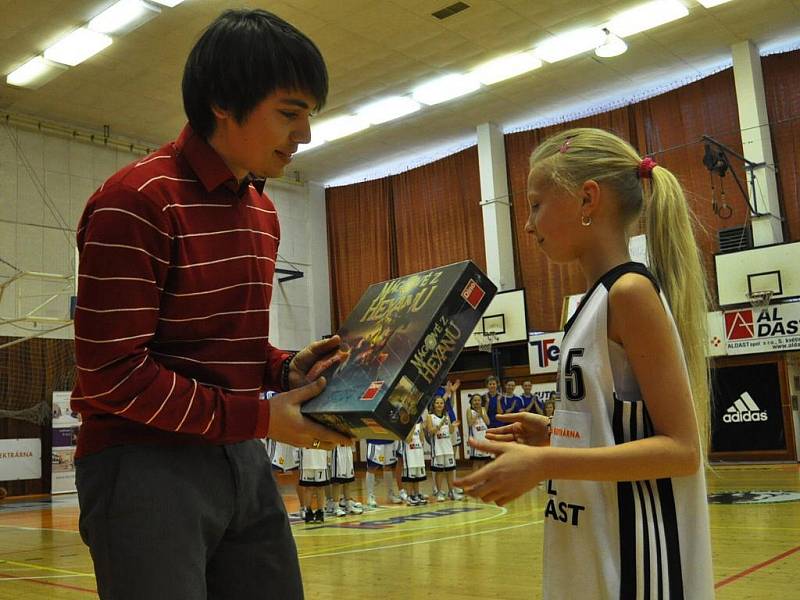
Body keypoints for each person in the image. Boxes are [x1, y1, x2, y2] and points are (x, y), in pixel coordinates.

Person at [70, 9, 350, 600]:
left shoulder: (262, 211)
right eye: (290, 112)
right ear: (224, 101)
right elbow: (113, 374)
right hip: (141, 465)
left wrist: (282, 368)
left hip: (239, 457)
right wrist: (260, 416)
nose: (305, 135)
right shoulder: (136, 201)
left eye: (309, 115)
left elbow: (223, 350)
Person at [456, 128, 714, 598]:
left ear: (587, 200)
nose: (529, 225)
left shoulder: (630, 293)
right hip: (590, 538)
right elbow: (620, 423)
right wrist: (555, 433)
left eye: (536, 205)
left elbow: (681, 450)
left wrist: (545, 460)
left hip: (639, 554)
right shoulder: (590, 302)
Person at [426, 395, 462, 501]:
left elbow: (450, 431)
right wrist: (440, 425)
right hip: (438, 449)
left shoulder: (447, 415)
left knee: (450, 470)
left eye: (441, 403)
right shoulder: (430, 416)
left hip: (448, 447)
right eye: (437, 403)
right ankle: (438, 492)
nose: (439, 405)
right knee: (439, 471)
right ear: (433, 405)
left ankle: (451, 492)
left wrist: (453, 426)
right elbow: (430, 432)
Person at [466, 394, 492, 469]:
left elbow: (488, 422)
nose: (477, 402)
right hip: (475, 439)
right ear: (471, 402)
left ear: (481, 401)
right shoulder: (469, 410)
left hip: (484, 438)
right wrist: (477, 414)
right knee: (476, 461)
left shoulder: (483, 409)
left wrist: (482, 413)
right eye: (475, 400)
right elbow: (470, 423)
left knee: (483, 461)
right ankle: (475, 480)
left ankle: (481, 479)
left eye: (478, 400)